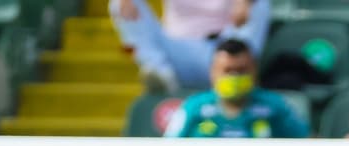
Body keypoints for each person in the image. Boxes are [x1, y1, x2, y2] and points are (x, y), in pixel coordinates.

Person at [110, 0, 271, 92]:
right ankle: (159, 73)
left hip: (225, 52)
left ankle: (240, 71)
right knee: (119, 2)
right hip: (176, 55)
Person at [163, 39, 309, 139]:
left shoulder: (275, 106)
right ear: (213, 72)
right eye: (228, 71)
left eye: (241, 70)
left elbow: (307, 145)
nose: (234, 77)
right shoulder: (194, 106)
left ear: (254, 71)